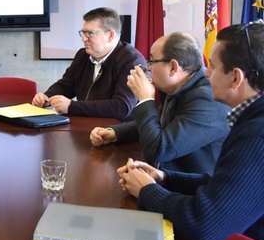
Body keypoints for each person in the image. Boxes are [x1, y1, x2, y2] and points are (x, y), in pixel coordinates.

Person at [118, 22, 264, 240]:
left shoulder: (256, 135)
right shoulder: (252, 119)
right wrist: (164, 177)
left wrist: (147, 191)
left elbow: (205, 224)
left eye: (213, 67)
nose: (206, 73)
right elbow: (223, 184)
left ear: (236, 78)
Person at [90, 32, 229, 174]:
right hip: (166, 177)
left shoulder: (207, 99)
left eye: (151, 61)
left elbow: (159, 150)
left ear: (173, 67)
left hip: (194, 188)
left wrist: (145, 99)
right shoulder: (181, 87)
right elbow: (158, 124)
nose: (148, 68)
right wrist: (114, 133)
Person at [32, 7, 146, 121]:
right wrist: (46, 97)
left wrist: (72, 106)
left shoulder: (131, 61)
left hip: (116, 131)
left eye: (90, 33)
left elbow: (121, 107)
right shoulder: (83, 55)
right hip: (85, 124)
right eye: (83, 33)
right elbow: (66, 85)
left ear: (110, 35)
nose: (84, 39)